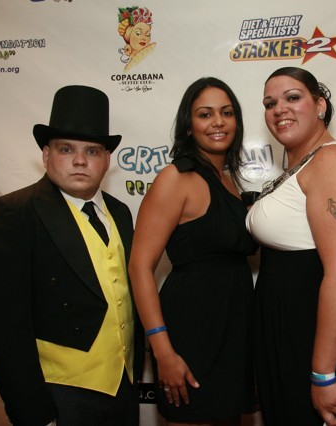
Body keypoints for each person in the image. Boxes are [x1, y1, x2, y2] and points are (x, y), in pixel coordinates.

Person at [0, 85, 144, 426]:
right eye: (66, 149)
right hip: (58, 393)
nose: (80, 161)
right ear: (46, 155)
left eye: (92, 151)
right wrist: (33, 413)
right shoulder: (14, 213)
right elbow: (2, 327)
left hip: (124, 388)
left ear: (107, 159)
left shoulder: (120, 212)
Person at [246, 67, 336, 426]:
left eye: (292, 97)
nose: (279, 109)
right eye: (269, 103)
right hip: (289, 328)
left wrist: (323, 373)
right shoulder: (299, 167)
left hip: (319, 335)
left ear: (320, 105)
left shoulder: (334, 160)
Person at [128, 77, 256, 426]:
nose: (218, 122)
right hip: (192, 330)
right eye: (205, 114)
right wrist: (162, 350)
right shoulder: (176, 178)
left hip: (234, 329)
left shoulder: (229, 181)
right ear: (188, 125)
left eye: (227, 113)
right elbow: (139, 267)